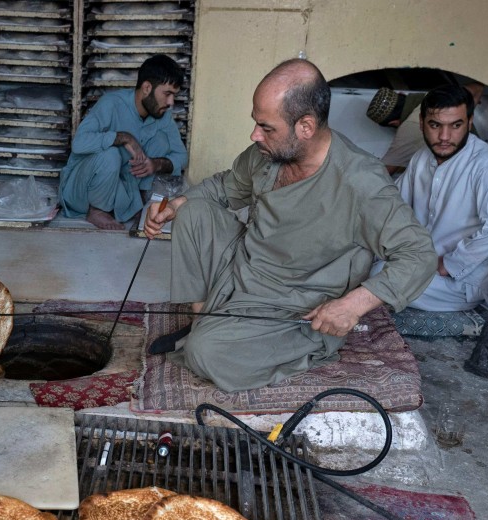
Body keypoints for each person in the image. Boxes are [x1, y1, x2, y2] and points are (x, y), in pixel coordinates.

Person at [145, 59, 436, 392]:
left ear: (305, 127)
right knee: (192, 212)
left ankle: (264, 343)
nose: (255, 135)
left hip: (294, 305)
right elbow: (225, 186)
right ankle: (207, 322)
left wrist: (351, 306)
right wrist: (176, 205)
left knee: (205, 353)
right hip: (244, 270)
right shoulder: (269, 153)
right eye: (256, 123)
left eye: (266, 127)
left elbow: (419, 255)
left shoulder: (360, 181)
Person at [390, 83, 488, 312]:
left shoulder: (487, 166)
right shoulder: (421, 158)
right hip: (419, 266)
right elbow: (394, 206)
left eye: (456, 125)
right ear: (421, 123)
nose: (444, 137)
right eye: (435, 125)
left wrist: (450, 264)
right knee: (359, 262)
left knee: (379, 280)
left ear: (469, 122)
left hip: (458, 283)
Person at [59, 54, 188, 230]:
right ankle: (97, 210)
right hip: (80, 191)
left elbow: (182, 156)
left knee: (161, 141)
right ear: (147, 88)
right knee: (110, 154)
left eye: (174, 95)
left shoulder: (162, 116)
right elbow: (79, 143)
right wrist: (123, 137)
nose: (171, 102)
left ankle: (138, 202)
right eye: (167, 94)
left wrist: (155, 164)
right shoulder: (111, 104)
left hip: (121, 190)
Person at [366, 86, 426, 175]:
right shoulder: (431, 95)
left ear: (394, 123)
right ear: (402, 94)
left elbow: (383, 173)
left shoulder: (410, 126)